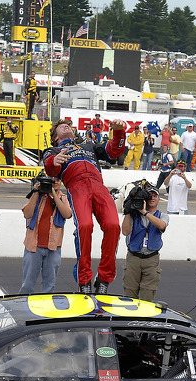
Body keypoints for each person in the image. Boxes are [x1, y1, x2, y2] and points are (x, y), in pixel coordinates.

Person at [42, 117, 127, 294]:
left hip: (99, 185)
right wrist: (53, 161)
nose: (66, 126)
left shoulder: (89, 145)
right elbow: (50, 169)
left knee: (113, 226)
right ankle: (84, 280)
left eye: (68, 126)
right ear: (55, 137)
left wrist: (119, 132)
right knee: (84, 226)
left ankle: (103, 279)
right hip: (77, 186)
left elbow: (113, 152)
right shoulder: (53, 150)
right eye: (61, 126)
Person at [19, 176, 73, 293]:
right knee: (27, 285)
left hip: (53, 248)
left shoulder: (62, 198)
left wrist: (54, 194)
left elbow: (67, 214)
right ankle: (23, 307)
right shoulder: (38, 196)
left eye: (58, 179)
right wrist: (35, 192)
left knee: (49, 286)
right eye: (53, 180)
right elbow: (27, 214)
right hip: (33, 246)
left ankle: (45, 309)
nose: (56, 182)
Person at [122, 186, 168, 302]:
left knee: (148, 296)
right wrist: (127, 212)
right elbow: (125, 231)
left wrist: (144, 212)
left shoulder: (163, 216)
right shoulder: (133, 214)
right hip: (133, 257)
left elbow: (162, 226)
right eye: (150, 196)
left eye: (155, 196)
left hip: (151, 259)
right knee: (129, 294)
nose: (152, 198)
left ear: (158, 199)